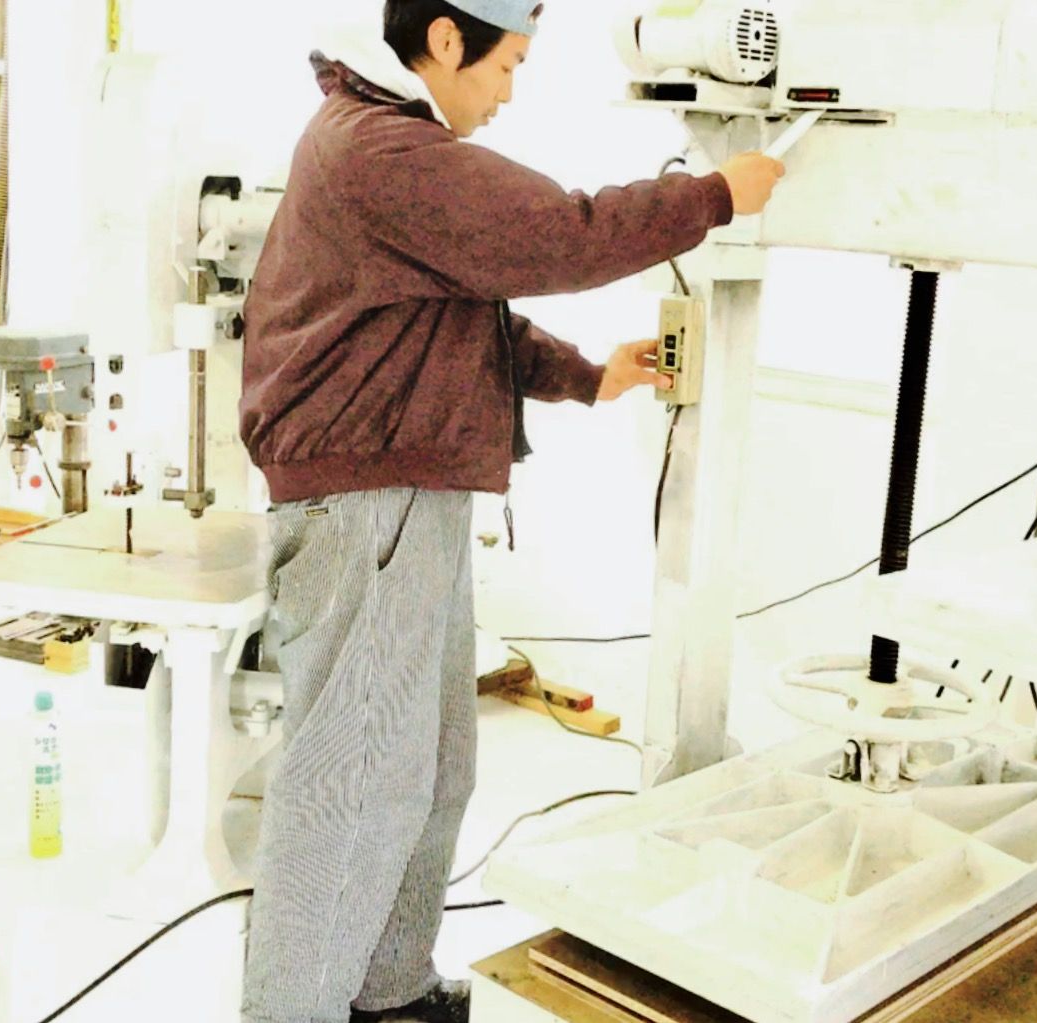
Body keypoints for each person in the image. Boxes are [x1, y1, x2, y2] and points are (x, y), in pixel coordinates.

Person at [238, 3, 784, 1022]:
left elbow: (460, 307)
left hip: (406, 500)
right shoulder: (381, 149)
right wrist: (713, 196)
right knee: (354, 787)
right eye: (508, 64)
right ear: (448, 40)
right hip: (369, 507)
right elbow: (554, 234)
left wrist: (584, 374)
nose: (508, 92)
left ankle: (389, 990)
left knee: (435, 769)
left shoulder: (383, 144)